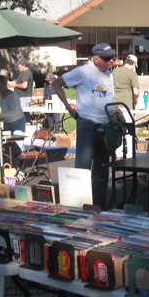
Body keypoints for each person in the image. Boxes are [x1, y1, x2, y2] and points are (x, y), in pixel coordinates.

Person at [52, 43, 116, 210]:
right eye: (107, 58)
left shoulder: (109, 74)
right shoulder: (83, 71)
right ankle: (79, 209)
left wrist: (114, 114)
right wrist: (68, 107)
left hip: (105, 126)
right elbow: (57, 83)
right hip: (87, 124)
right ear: (96, 59)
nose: (112, 60)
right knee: (83, 170)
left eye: (113, 57)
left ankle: (99, 208)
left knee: (102, 171)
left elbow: (108, 99)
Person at [112, 54, 140, 158]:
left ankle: (118, 153)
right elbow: (136, 92)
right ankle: (130, 155)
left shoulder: (114, 71)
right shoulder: (132, 74)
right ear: (133, 63)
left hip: (114, 104)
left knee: (118, 130)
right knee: (129, 131)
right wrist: (135, 101)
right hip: (127, 105)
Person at [0, 74, 26, 160]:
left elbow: (13, 112)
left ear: (4, 85)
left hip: (18, 122)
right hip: (7, 123)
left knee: (18, 146)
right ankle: (10, 166)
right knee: (7, 146)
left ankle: (21, 170)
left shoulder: (13, 96)